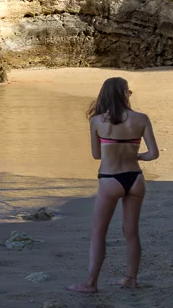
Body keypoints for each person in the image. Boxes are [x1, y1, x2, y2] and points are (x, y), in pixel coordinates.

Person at [66, 77, 159, 293]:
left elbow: (96, 155)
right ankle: (131, 279)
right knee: (131, 232)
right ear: (125, 94)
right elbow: (153, 154)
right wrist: (136, 157)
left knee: (99, 232)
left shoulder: (97, 121)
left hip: (110, 179)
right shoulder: (141, 119)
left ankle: (90, 283)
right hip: (135, 178)